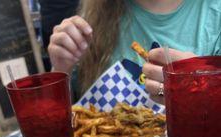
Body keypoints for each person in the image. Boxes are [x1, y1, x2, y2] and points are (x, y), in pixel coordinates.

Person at [48, 0, 221, 102]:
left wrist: (207, 86)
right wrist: (61, 70)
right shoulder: (94, 15)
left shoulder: (214, 13)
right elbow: (70, 112)